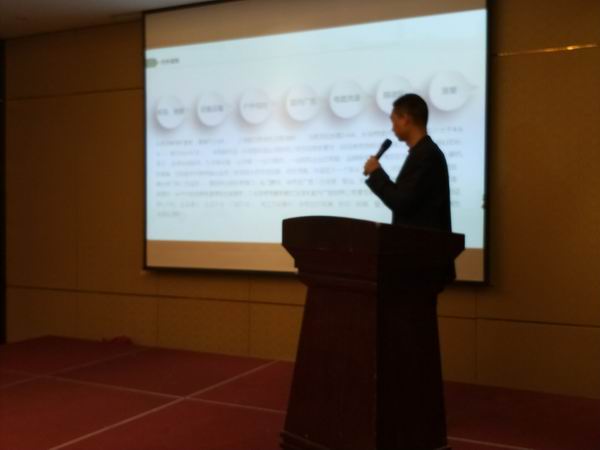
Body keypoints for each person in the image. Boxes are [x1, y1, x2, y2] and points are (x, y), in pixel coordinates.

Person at [363, 93, 452, 233]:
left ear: (405, 119)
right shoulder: (423, 152)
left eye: (393, 121)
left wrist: (376, 172)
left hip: (424, 242)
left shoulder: (426, 155)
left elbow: (402, 202)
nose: (392, 128)